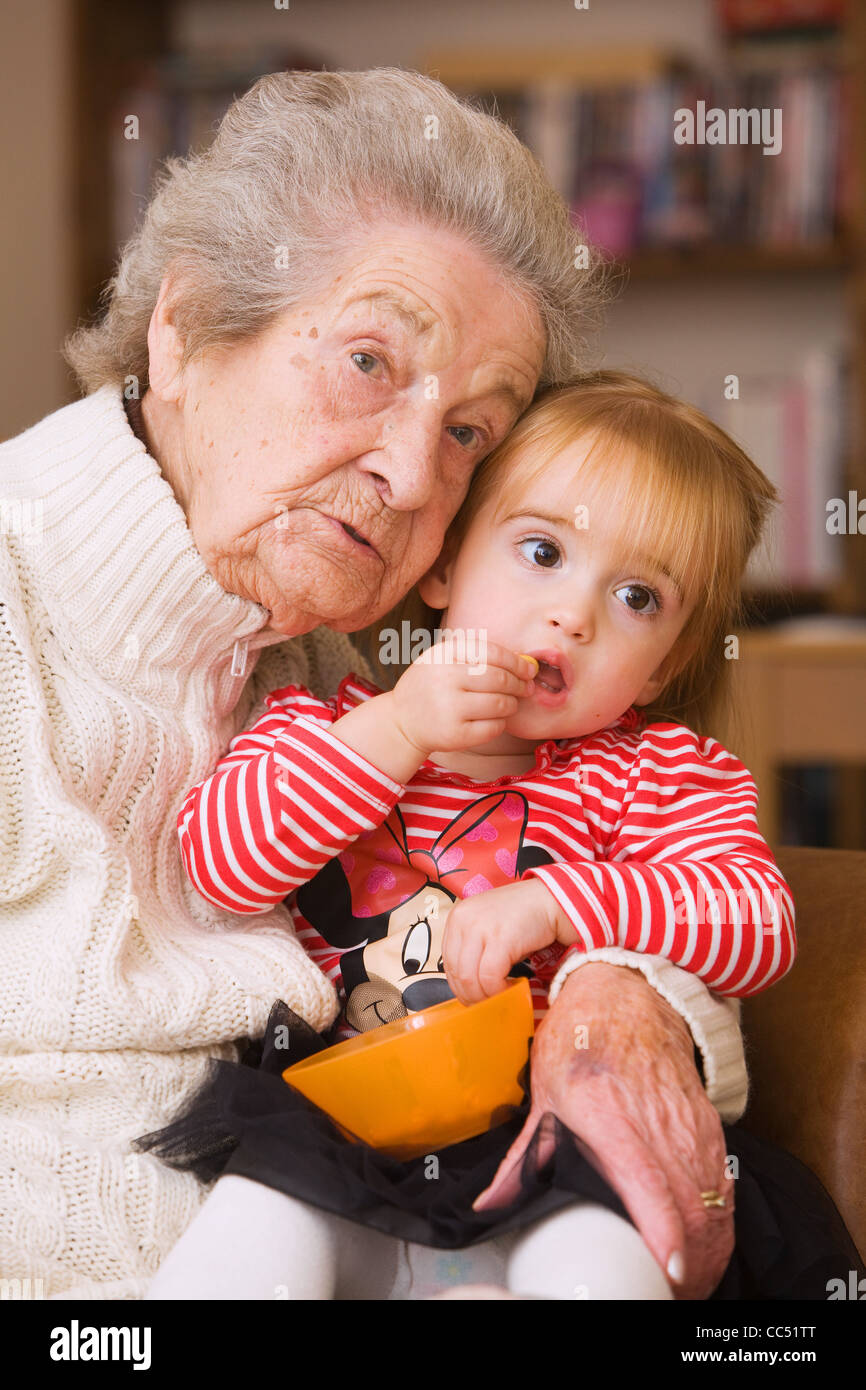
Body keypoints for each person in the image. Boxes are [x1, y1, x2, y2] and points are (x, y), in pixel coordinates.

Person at [0, 68, 748, 1300]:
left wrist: (615, 985)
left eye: (467, 432)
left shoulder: (332, 666)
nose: (409, 472)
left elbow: (657, 900)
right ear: (180, 331)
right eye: (366, 359)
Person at [141, 374, 858, 1300]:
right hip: (336, 1152)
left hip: (560, 1160)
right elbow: (218, 865)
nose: (575, 614)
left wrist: (562, 900)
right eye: (542, 550)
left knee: (606, 1270)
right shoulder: (328, 725)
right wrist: (399, 732)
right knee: (245, 1240)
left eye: (638, 597)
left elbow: (757, 925)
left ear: (668, 662)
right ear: (442, 566)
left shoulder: (658, 773)